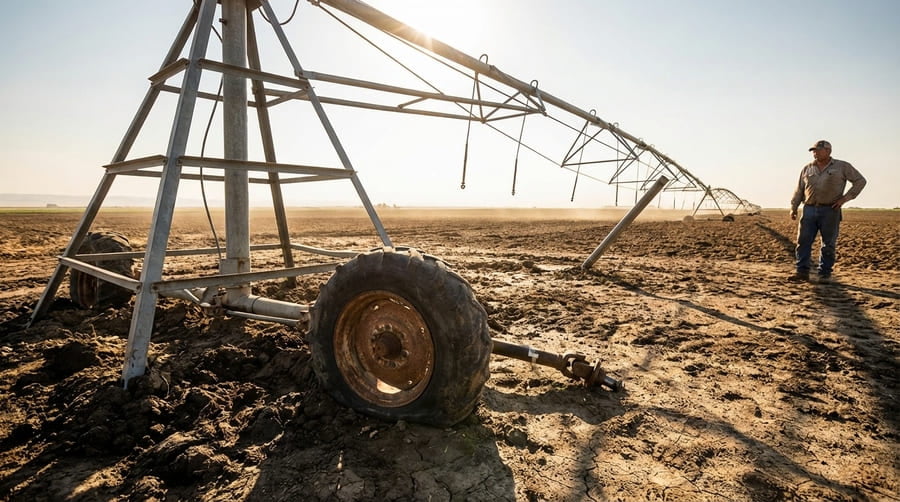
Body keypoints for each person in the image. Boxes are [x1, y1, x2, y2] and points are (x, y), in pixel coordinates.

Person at [789, 140, 866, 282]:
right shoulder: (807, 168)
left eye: (818, 150)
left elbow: (860, 181)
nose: (815, 153)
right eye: (813, 151)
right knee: (803, 241)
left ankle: (824, 274)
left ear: (828, 151)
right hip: (809, 209)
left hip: (830, 210)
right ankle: (802, 272)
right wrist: (794, 207)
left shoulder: (842, 166)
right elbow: (799, 189)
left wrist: (844, 199)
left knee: (828, 243)